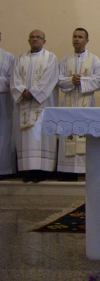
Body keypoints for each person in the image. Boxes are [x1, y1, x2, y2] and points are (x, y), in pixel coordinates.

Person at [11, 30, 58, 182]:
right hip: (25, 105)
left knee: (41, 136)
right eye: (32, 37)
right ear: (28, 40)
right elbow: (15, 78)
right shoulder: (20, 58)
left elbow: (49, 79)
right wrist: (21, 91)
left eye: (38, 37)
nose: (35, 39)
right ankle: (28, 171)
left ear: (44, 41)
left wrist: (34, 92)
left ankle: (42, 171)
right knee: (26, 137)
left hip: (41, 105)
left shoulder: (50, 58)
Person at [57, 28, 100, 180]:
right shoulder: (65, 60)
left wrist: (82, 80)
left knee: (85, 136)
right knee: (68, 134)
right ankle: (67, 171)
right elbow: (58, 79)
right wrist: (71, 80)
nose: (77, 39)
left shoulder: (94, 60)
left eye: (80, 37)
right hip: (69, 103)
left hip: (86, 104)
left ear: (86, 41)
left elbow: (99, 80)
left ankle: (84, 171)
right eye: (75, 36)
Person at [0, 31, 16, 178]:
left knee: (4, 133)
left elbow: (12, 79)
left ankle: (4, 169)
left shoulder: (8, 57)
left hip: (3, 100)